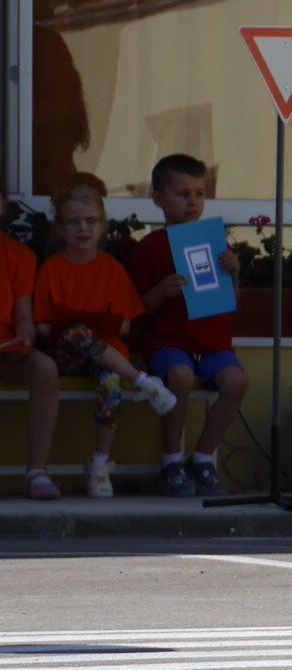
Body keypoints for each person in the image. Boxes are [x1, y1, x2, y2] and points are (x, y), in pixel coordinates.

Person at [35, 177, 172, 498]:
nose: (83, 228)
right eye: (74, 222)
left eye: (91, 221)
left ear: (102, 226)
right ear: (60, 229)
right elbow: (42, 327)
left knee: (111, 382)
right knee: (79, 331)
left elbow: (124, 326)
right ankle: (143, 382)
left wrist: (90, 330)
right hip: (65, 356)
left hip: (109, 356)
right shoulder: (52, 269)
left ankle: (99, 464)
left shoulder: (111, 269)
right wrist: (76, 329)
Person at [130, 155, 244, 496]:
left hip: (212, 343)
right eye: (183, 194)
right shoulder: (149, 248)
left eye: (199, 193)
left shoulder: (216, 243)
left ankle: (203, 459)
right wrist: (160, 292)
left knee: (236, 382)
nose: (192, 202)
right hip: (168, 342)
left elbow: (232, 300)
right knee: (178, 377)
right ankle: (171, 463)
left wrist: (235, 272)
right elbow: (138, 308)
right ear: (158, 199)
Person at [0, 221, 62, 500]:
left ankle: (37, 472)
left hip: (4, 347)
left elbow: (24, 317)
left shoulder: (18, 255)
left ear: (3, 205)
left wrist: (24, 337)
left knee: (45, 370)